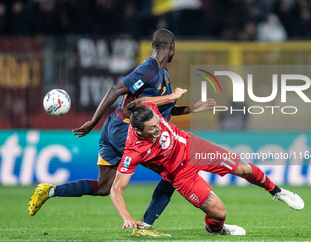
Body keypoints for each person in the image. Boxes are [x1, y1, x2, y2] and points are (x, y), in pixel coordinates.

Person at [28, 29, 215, 237]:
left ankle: (50, 190)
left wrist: (191, 108)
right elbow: (116, 90)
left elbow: (162, 110)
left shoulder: (163, 75)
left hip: (114, 127)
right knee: (173, 171)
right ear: (172, 46)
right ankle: (145, 226)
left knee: (104, 186)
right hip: (126, 131)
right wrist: (92, 121)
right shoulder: (149, 68)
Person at [111, 100, 304, 236]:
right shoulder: (133, 151)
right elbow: (116, 189)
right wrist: (127, 216)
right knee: (219, 213)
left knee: (244, 169)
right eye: (152, 129)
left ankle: (277, 192)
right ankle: (216, 229)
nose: (158, 128)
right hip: (180, 174)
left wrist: (180, 103)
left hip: (193, 147)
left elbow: (149, 101)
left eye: (157, 123)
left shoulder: (149, 109)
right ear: (138, 131)